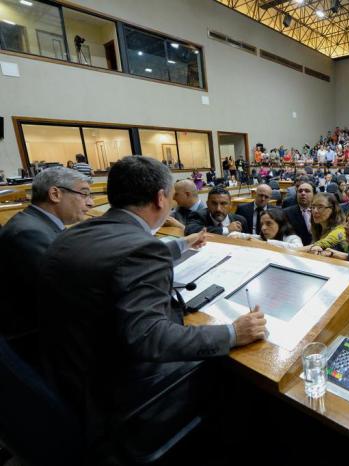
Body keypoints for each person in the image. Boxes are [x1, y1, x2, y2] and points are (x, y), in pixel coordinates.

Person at [38, 156, 267, 458]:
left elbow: (116, 257)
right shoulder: (142, 250)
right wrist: (231, 333)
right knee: (239, 375)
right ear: (161, 198)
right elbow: (151, 339)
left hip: (71, 375)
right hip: (127, 395)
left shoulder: (72, 234)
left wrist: (181, 245)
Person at [0, 167, 93, 364]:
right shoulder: (29, 232)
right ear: (55, 194)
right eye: (84, 194)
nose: (91, 203)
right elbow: (65, 289)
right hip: (34, 342)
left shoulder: (36, 224)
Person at [283, 180, 315, 245]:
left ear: (314, 194)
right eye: (300, 191)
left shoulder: (321, 211)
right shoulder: (286, 213)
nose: (303, 193)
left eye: (307, 191)